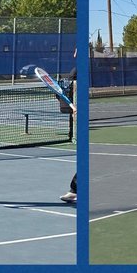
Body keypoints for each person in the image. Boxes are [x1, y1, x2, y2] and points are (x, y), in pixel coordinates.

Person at [61, 46, 78, 205]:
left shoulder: (76, 71)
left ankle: (75, 191)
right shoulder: (74, 71)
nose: (73, 52)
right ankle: (75, 191)